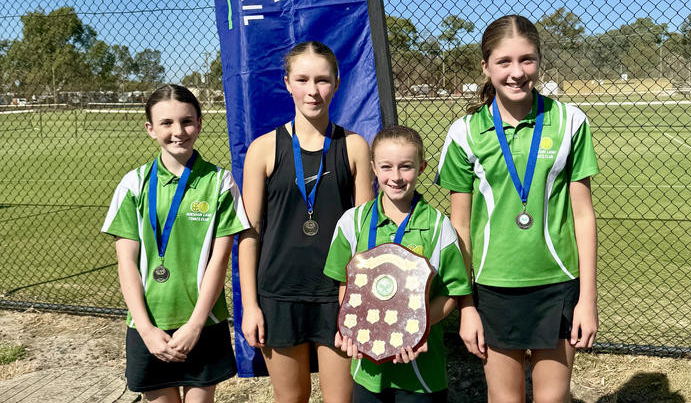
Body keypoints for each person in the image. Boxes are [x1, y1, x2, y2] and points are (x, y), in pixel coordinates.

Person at [434, 15, 599, 403]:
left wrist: (587, 299)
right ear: (485, 66)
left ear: (539, 60)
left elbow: (583, 215)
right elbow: (460, 228)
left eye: (527, 59)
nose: (517, 72)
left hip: (557, 284)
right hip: (493, 289)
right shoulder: (464, 132)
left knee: (552, 398)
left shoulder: (570, 121)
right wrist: (466, 305)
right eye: (504, 61)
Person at [239, 41, 374, 403]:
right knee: (290, 398)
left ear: (337, 84)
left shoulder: (355, 146)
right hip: (279, 295)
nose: (312, 91)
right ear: (287, 83)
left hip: (337, 295)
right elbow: (249, 234)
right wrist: (250, 305)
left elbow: (366, 235)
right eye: (302, 80)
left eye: (322, 80)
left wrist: (359, 301)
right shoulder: (263, 149)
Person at [103, 84, 250, 403]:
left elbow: (219, 261)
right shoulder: (133, 184)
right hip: (149, 327)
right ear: (150, 129)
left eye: (186, 121)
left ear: (199, 123)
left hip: (203, 323)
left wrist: (195, 324)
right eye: (166, 123)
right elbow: (126, 262)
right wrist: (146, 330)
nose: (178, 131)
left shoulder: (220, 183)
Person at [324, 125, 471, 402]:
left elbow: (451, 293)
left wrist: (412, 330)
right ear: (373, 168)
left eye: (406, 167)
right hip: (368, 370)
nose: (396, 177)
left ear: (422, 167)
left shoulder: (439, 227)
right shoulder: (352, 223)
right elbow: (345, 285)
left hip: (421, 372)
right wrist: (351, 328)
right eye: (386, 167)